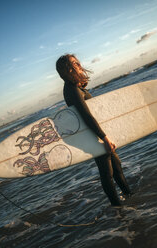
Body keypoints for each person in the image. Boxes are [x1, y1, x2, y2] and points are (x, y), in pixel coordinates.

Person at [56, 54, 131, 206]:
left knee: (116, 167)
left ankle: (128, 196)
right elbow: (86, 116)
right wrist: (104, 137)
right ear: (67, 69)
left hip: (95, 133)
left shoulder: (74, 87)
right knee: (107, 173)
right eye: (74, 63)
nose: (78, 64)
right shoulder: (72, 90)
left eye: (77, 62)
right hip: (94, 135)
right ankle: (118, 208)